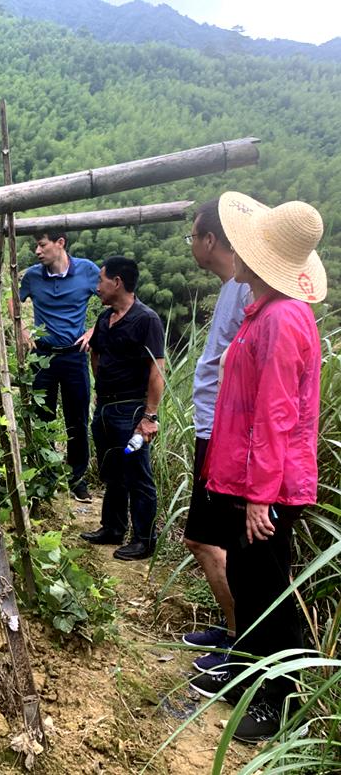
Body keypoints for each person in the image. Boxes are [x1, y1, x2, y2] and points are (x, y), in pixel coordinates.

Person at [189, 192, 325, 744]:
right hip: (244, 477)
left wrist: (259, 496)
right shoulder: (262, 311)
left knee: (268, 587)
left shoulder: (283, 319)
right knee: (248, 579)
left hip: (265, 484)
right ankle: (248, 671)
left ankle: (281, 699)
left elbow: (276, 415)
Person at [180, 200, 251, 673]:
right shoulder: (232, 288)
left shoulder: (246, 291)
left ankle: (241, 644)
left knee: (211, 541)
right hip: (213, 429)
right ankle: (232, 630)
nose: (191, 245)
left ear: (210, 241)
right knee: (204, 539)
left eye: (193, 237)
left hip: (227, 436)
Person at [80, 256, 165, 561]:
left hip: (131, 413)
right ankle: (112, 527)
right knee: (112, 469)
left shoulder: (146, 320)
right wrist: (100, 389)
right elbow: (97, 355)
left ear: (117, 282)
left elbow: (157, 370)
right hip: (105, 409)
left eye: (101, 280)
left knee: (136, 471)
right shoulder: (105, 319)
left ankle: (144, 538)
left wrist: (149, 416)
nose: (97, 286)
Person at [16, 230, 100, 502]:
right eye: (36, 246)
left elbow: (114, 297)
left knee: (77, 417)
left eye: (42, 245)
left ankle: (77, 478)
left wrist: (94, 330)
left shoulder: (87, 271)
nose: (37, 251)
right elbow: (12, 300)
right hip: (42, 356)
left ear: (60, 243)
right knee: (43, 416)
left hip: (75, 355)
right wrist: (22, 329)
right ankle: (46, 476)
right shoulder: (32, 276)